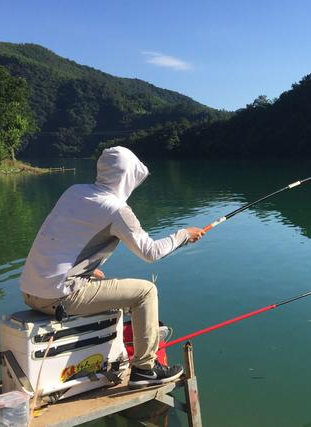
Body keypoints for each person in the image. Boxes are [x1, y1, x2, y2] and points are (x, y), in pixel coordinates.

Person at [19, 146, 205, 388]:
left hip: (30, 292)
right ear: (128, 177)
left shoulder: (74, 192)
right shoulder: (116, 210)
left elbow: (63, 240)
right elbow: (150, 252)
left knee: (104, 281)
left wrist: (85, 268)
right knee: (145, 291)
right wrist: (183, 235)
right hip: (59, 295)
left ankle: (115, 348)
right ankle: (145, 368)